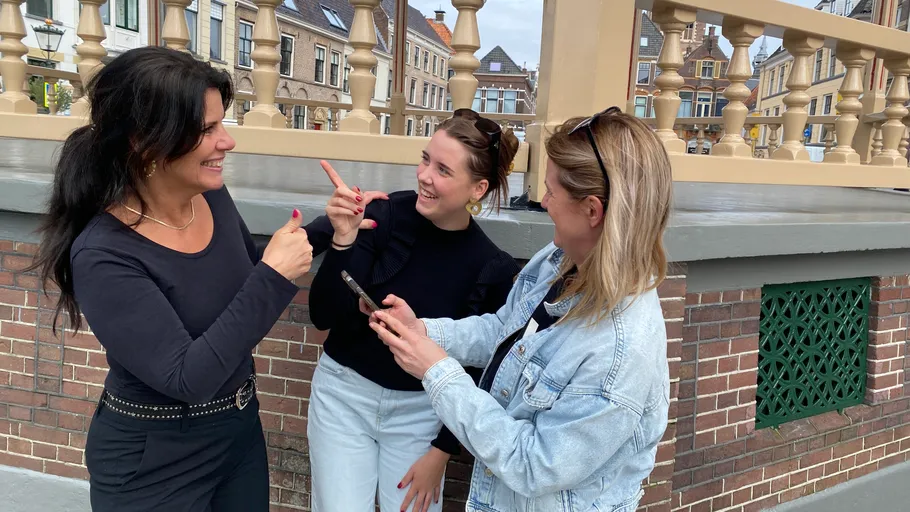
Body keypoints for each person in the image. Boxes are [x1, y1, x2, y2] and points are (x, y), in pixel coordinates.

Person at [27, 46, 330, 511]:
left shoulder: (209, 197)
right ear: (144, 141)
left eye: (222, 123)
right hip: (154, 461)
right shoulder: (104, 254)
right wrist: (273, 277)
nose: (227, 141)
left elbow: (238, 277)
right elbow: (188, 377)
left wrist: (327, 227)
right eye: (207, 129)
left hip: (237, 435)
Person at [367, 107, 673, 512]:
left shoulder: (620, 351)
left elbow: (535, 465)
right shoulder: (559, 259)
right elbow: (505, 329)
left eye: (551, 192)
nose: (543, 202)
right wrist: (427, 332)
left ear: (592, 211)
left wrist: (437, 371)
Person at [305, 109, 522, 512]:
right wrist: (343, 242)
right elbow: (322, 315)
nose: (424, 175)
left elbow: (482, 371)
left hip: (423, 413)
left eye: (443, 170)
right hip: (343, 396)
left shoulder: (491, 266)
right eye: (425, 159)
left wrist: (441, 452)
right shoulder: (384, 214)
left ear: (478, 188)